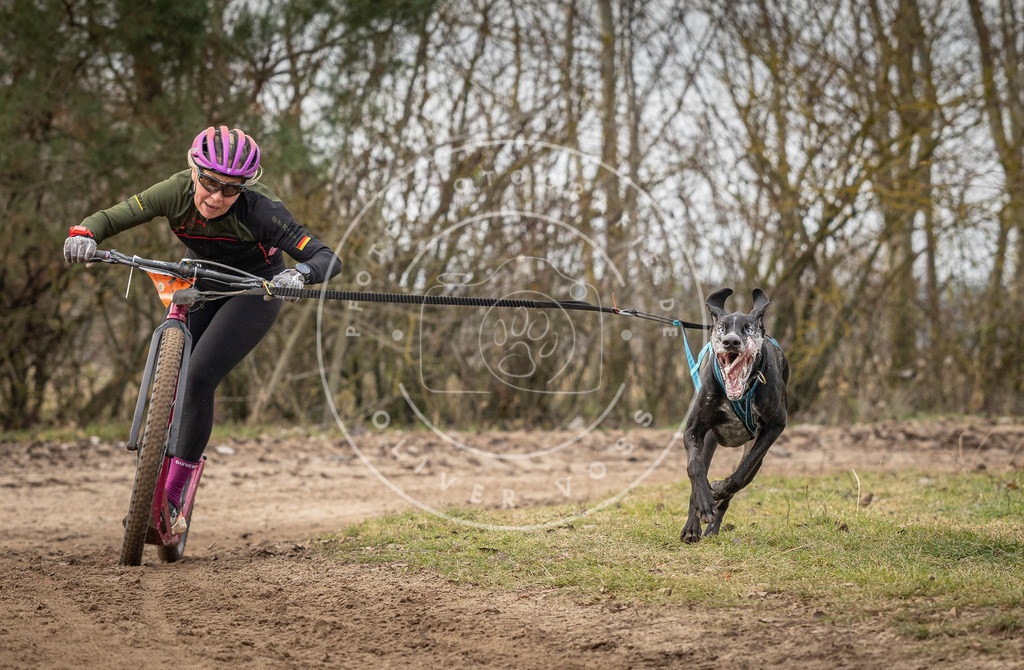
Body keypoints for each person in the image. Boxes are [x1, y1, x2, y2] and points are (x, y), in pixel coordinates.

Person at [64, 125, 341, 533]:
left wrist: (299, 275)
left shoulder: (263, 211)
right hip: (199, 280)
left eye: (230, 189)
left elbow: (325, 256)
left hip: (253, 290)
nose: (216, 197)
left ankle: (174, 499)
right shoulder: (174, 191)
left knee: (198, 378)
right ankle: (153, 464)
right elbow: (110, 217)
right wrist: (84, 235)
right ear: (194, 171)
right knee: (174, 373)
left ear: (245, 187)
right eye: (210, 182)